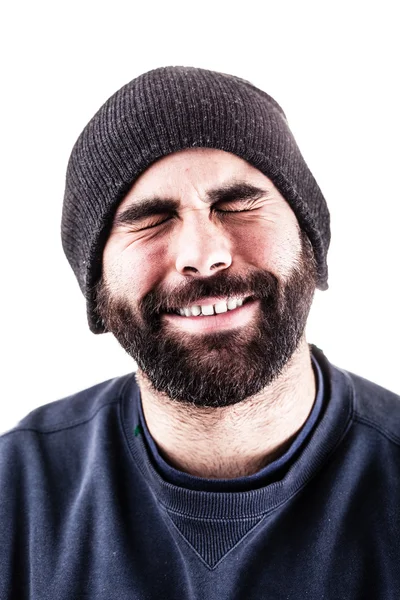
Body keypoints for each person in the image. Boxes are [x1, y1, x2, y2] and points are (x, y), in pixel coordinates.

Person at [1, 66, 399, 599]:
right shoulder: (16, 495)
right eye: (150, 220)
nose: (204, 254)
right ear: (96, 285)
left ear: (310, 240)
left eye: (237, 204)